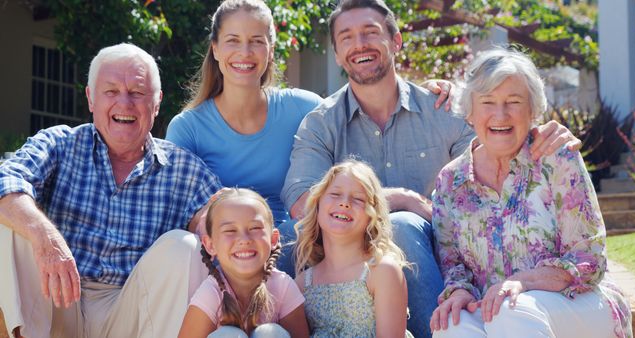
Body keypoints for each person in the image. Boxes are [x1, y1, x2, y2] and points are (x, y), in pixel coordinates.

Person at [280, 0, 581, 336]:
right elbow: (301, 203)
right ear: (337, 53)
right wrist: (400, 198)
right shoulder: (322, 123)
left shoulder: (444, 108)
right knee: (289, 238)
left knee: (404, 226)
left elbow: (496, 153)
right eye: (346, 37)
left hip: (439, 245)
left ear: (396, 42)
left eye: (370, 32)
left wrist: (540, 131)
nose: (359, 44)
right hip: (347, 251)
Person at [0, 43, 221, 338]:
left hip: (133, 314)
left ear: (156, 103)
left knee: (186, 246)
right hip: (57, 301)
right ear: (91, 98)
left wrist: (218, 229)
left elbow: (225, 219)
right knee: (13, 222)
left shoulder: (184, 169)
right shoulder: (59, 143)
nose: (125, 104)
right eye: (111, 91)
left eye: (137, 93)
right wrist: (45, 236)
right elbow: (7, 180)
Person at [166, 0, 452, 227]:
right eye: (232, 40)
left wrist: (422, 93)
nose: (245, 51)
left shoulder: (304, 108)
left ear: (270, 50)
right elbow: (181, 215)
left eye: (256, 40)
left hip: (300, 242)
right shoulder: (188, 128)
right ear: (215, 49)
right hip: (229, 248)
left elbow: (361, 102)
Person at [430, 47, 632, 338]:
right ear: (470, 113)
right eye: (488, 102)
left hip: (578, 302)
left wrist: (525, 281)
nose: (501, 114)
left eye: (514, 101)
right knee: (452, 327)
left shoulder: (556, 158)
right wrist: (459, 290)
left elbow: (589, 259)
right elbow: (453, 265)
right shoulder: (451, 181)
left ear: (532, 111)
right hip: (495, 309)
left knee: (513, 309)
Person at [294, 159, 412, 337]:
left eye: (358, 199)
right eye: (335, 194)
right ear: (318, 204)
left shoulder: (381, 272)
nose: (345, 203)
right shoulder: (303, 283)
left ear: (372, 215)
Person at [178, 188, 308, 338]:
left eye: (254, 228)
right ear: (210, 245)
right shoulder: (211, 293)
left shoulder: (283, 286)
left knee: (270, 333)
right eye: (230, 230)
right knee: (228, 335)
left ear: (273, 240)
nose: (244, 239)